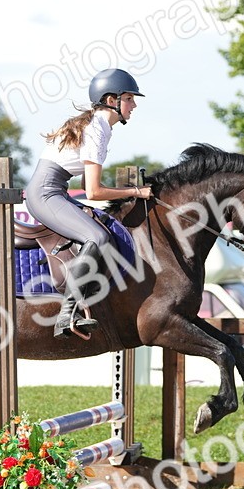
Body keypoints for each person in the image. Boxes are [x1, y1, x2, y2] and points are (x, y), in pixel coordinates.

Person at [24, 68, 152, 338]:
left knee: (103, 228)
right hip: (46, 194)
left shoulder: (99, 127)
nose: (134, 104)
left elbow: (87, 188)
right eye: (129, 98)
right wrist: (137, 192)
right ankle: (67, 314)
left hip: (53, 190)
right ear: (111, 100)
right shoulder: (96, 130)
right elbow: (93, 191)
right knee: (97, 238)